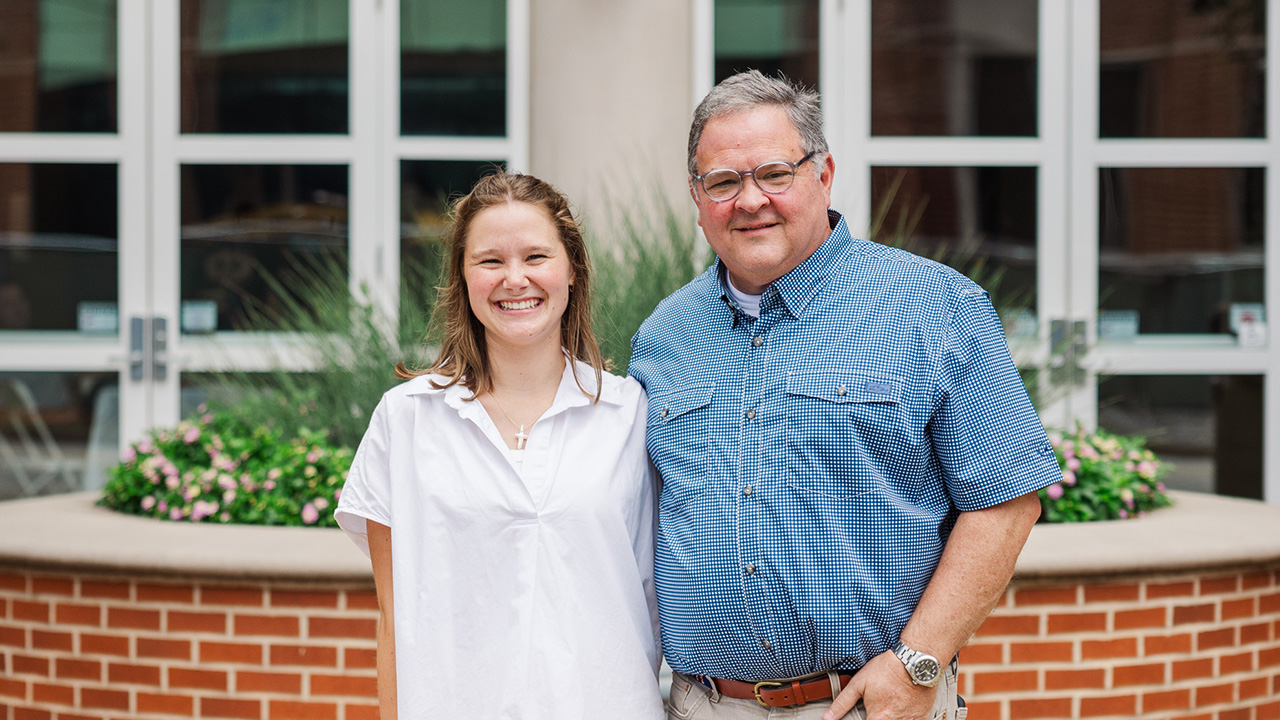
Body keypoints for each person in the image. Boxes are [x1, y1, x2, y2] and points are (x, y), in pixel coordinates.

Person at [627, 71, 1062, 720]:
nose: (750, 201)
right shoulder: (663, 336)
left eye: (774, 173)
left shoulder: (935, 306)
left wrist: (920, 661)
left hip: (868, 704)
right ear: (697, 197)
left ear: (823, 173)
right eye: (723, 182)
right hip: (703, 705)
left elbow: (1006, 503)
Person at [335, 173, 664, 719]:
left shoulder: (632, 415)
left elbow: (661, 599)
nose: (515, 279)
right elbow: (394, 622)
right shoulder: (406, 418)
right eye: (490, 261)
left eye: (536, 256)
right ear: (462, 278)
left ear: (572, 270)